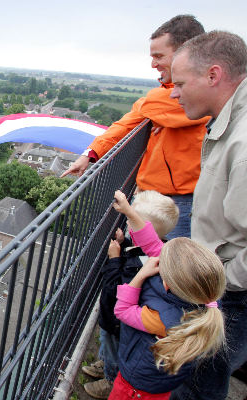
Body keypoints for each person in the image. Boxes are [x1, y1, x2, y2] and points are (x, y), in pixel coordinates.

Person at [62, 15, 208, 239]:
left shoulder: (194, 92)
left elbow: (143, 108)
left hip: (179, 200)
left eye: (159, 56)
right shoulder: (165, 96)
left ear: (185, 53)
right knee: (147, 255)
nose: (153, 64)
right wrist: (91, 153)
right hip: (155, 195)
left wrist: (152, 109)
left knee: (169, 264)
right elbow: (129, 121)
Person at [168, 31, 247, 400]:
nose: (173, 92)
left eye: (180, 82)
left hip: (229, 294)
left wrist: (213, 284)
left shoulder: (244, 141)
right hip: (223, 287)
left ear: (213, 75)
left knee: (198, 387)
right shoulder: (230, 123)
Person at [83, 190, 178, 399]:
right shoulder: (158, 251)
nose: (127, 224)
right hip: (125, 325)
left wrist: (114, 259)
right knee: (110, 349)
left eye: (130, 221)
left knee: (114, 350)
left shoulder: (139, 265)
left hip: (118, 323)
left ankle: (109, 379)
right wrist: (125, 243)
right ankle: (107, 365)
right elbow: (143, 245)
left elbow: (114, 292)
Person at [111, 238, 226, 400]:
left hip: (135, 388)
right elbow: (160, 250)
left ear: (167, 284)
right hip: (162, 384)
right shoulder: (209, 300)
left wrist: (141, 274)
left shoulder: (161, 319)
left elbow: (122, 310)